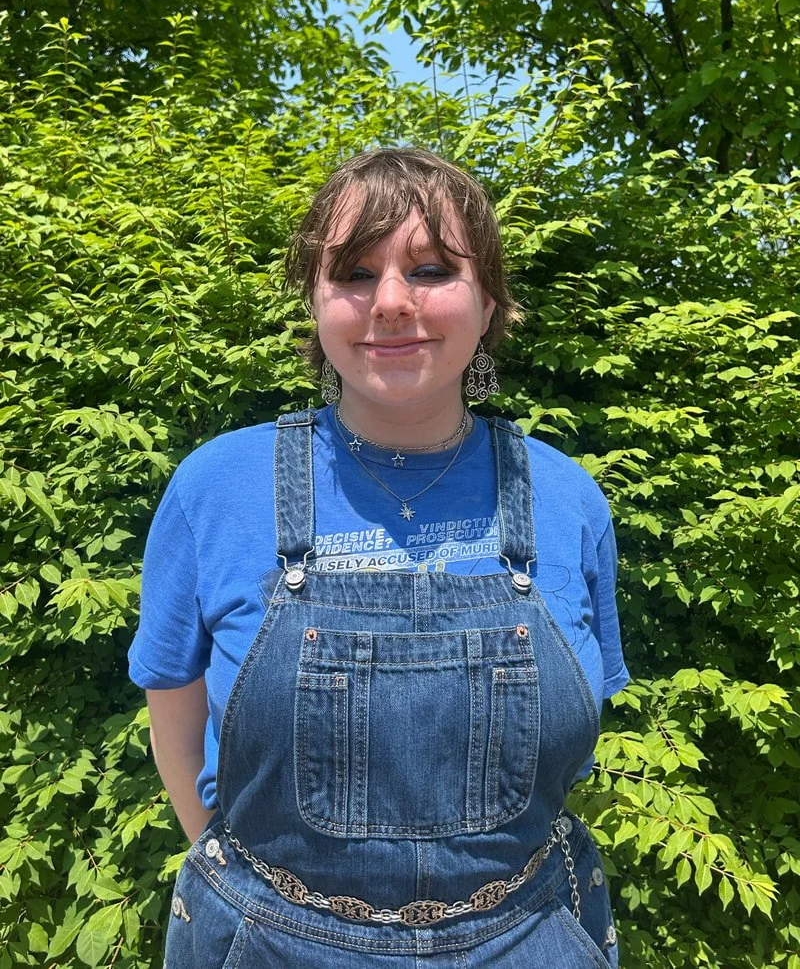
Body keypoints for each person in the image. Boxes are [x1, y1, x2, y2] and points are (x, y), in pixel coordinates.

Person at [129, 147, 629, 968]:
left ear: (491, 298)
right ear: (315, 302)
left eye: (431, 268)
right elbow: (176, 721)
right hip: (266, 945)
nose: (391, 302)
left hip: (531, 938)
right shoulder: (216, 487)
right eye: (355, 273)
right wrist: (266, 902)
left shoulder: (567, 498)